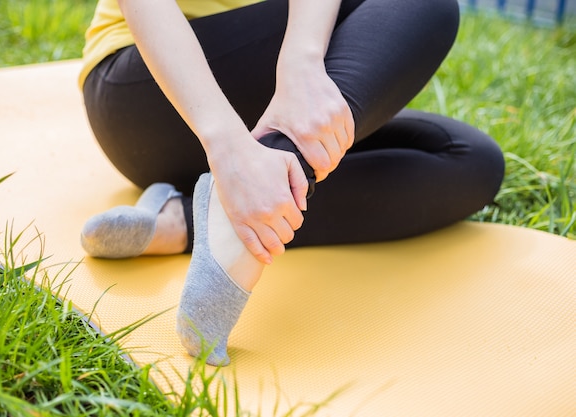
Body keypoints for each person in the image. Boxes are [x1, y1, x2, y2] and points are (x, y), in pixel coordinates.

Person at [79, 0, 505, 366]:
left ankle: (189, 219)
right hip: (150, 92)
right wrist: (224, 144)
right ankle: (250, 194)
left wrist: (301, 66)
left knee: (470, 161)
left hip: (259, 88)